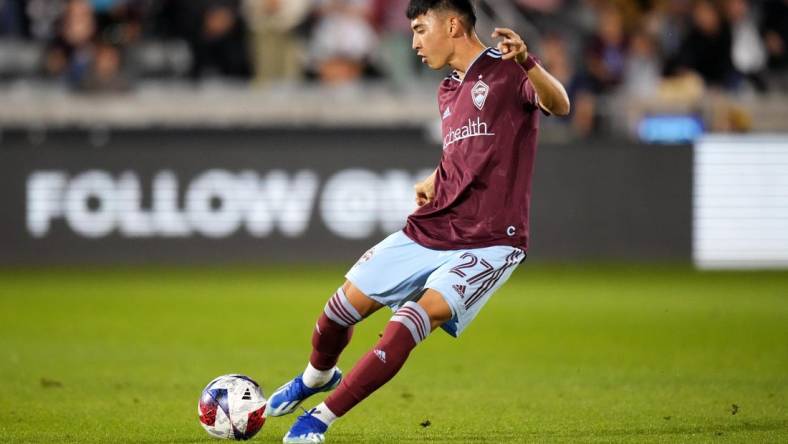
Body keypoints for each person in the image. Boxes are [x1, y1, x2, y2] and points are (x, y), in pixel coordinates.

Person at [265, 1, 570, 442]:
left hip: (490, 240)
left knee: (408, 321)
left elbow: (559, 105)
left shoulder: (509, 69)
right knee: (337, 312)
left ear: (452, 25)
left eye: (420, 29)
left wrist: (528, 61)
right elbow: (467, 148)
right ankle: (317, 376)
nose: (414, 42)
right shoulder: (447, 89)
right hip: (434, 226)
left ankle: (319, 420)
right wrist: (437, 174)